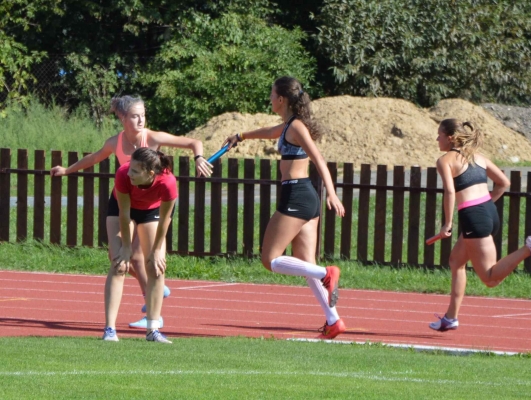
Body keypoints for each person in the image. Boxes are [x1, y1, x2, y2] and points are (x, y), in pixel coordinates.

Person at [50, 95, 213, 329]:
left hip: (148, 204)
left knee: (142, 258)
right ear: (123, 118)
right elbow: (94, 158)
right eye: (135, 116)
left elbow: (193, 142)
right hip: (124, 200)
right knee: (120, 258)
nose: (140, 120)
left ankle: (153, 308)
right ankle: (153, 294)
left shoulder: (153, 137)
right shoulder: (114, 142)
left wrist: (199, 158)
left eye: (143, 115)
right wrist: (67, 170)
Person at [223, 76, 347, 339]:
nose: (269, 98)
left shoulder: (297, 127)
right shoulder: (289, 124)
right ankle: (333, 320)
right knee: (305, 263)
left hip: (298, 195)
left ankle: (327, 273)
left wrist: (333, 194)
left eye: (271, 94)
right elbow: (269, 132)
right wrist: (240, 136)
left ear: (281, 99)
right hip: (303, 195)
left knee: (270, 259)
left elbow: (319, 159)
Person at [429, 119, 531, 332]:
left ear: (450, 137)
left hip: (474, 217)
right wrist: (484, 203)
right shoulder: (478, 157)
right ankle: (450, 318)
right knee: (456, 261)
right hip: (488, 211)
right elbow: (504, 183)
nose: (437, 139)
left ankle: (529, 249)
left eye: (439, 134)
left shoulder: (445, 160)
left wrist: (447, 224)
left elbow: (450, 192)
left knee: (489, 278)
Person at [105, 147, 176, 343]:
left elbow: (165, 220)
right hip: (123, 208)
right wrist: (126, 248)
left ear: (150, 173)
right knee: (119, 263)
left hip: (150, 212)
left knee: (156, 266)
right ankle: (110, 330)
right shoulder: (123, 174)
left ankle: (152, 330)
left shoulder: (168, 182)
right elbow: (125, 214)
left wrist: (156, 251)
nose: (129, 173)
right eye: (130, 168)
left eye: (135, 171)